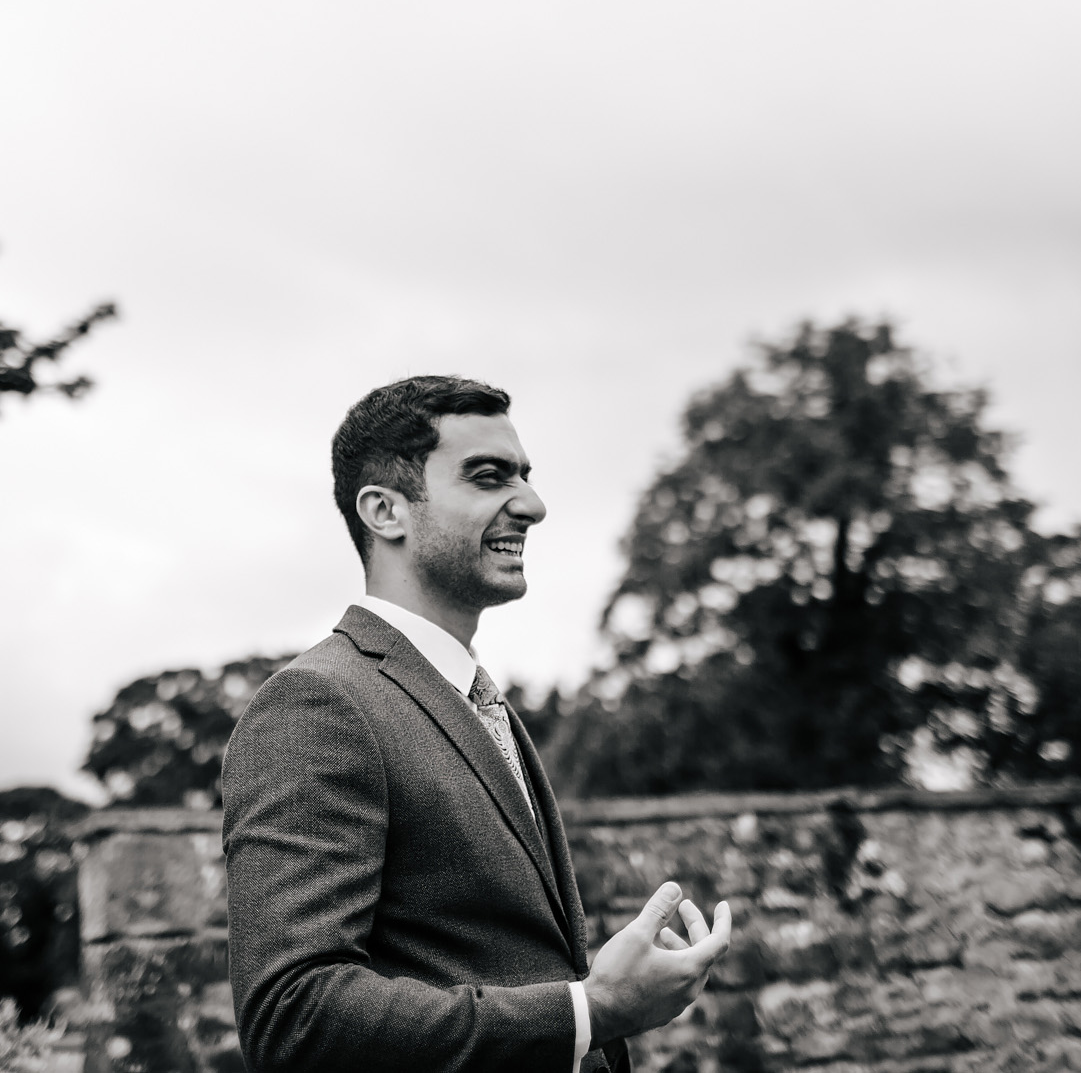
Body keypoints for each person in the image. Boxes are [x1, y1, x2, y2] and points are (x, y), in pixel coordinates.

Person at [223, 376, 731, 1072]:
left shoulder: (480, 702)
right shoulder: (318, 702)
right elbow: (294, 1016)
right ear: (385, 510)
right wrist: (591, 1009)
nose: (532, 504)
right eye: (489, 476)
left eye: (525, 476)